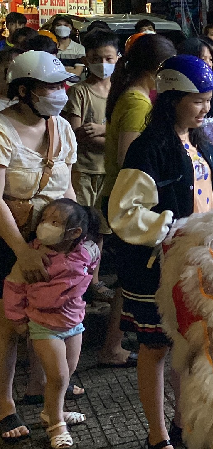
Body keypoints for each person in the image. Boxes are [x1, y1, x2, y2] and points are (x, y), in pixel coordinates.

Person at [108, 55, 213, 449]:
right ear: (172, 98)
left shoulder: (194, 138)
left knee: (188, 347)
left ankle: (181, 424)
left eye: (208, 99)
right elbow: (122, 213)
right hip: (152, 268)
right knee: (155, 348)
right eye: (197, 100)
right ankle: (158, 437)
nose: (205, 108)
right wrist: (170, 228)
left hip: (191, 264)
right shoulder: (149, 147)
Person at [0, 51, 79, 442]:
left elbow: (66, 188)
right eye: (51, 86)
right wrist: (21, 250)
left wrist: (81, 238)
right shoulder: (2, 129)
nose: (61, 92)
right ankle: (3, 403)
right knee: (7, 325)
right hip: (8, 240)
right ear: (24, 90)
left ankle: (46, 399)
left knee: (47, 316)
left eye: (63, 84)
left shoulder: (62, 128)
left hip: (49, 239)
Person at [98, 34, 175, 369]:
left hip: (118, 197)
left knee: (126, 282)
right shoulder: (138, 102)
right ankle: (112, 345)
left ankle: (113, 343)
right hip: (125, 202)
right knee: (130, 281)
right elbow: (130, 155)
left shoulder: (135, 96)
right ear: (157, 69)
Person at [3, 198, 99, 448]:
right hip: (43, 326)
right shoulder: (35, 255)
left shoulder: (86, 251)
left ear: (75, 233)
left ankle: (50, 411)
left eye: (54, 222)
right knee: (57, 376)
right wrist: (18, 319)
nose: (45, 225)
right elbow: (13, 286)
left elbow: (93, 262)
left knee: (69, 370)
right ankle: (56, 425)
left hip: (74, 322)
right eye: (44, 219)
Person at [63, 29, 118, 303]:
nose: (103, 63)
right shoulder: (79, 92)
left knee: (101, 230)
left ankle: (93, 281)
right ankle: (75, 280)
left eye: (108, 57)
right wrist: (112, 135)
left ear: (118, 57)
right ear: (86, 59)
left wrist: (101, 130)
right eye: (97, 58)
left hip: (108, 172)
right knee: (80, 228)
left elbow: (122, 133)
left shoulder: (120, 91)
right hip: (83, 171)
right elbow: (76, 133)